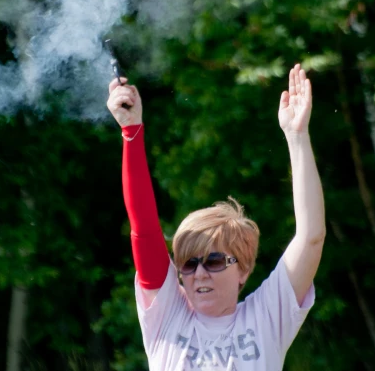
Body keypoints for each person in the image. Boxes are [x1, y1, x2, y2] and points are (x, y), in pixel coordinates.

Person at [106, 64, 325, 370]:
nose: (199, 273)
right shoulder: (168, 314)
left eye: (214, 261)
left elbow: (311, 237)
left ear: (244, 271)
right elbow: (143, 227)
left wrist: (297, 135)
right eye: (189, 263)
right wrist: (131, 130)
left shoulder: (266, 316)